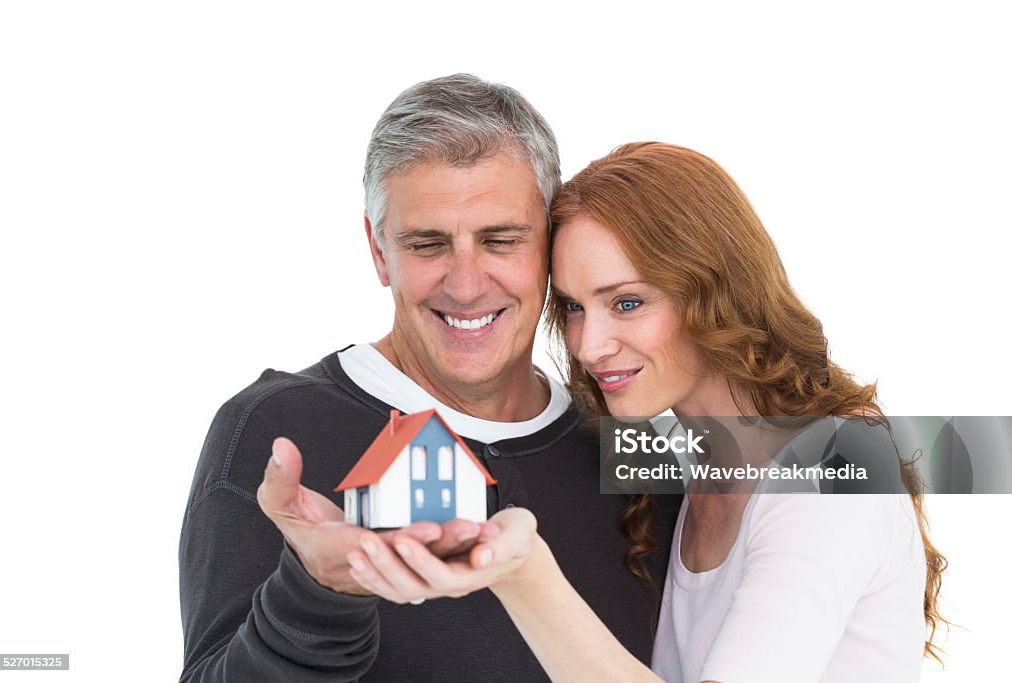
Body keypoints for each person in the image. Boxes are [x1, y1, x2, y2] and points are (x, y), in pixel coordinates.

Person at [344, 142, 948, 682]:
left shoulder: (835, 469)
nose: (588, 346)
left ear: (716, 291)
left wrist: (525, 576)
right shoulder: (681, 468)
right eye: (576, 308)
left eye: (627, 302)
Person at [178, 78, 675, 681]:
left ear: (551, 243)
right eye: (427, 244)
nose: (466, 286)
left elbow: (804, 470)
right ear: (378, 250)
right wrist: (318, 592)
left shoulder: (635, 446)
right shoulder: (279, 433)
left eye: (500, 240)